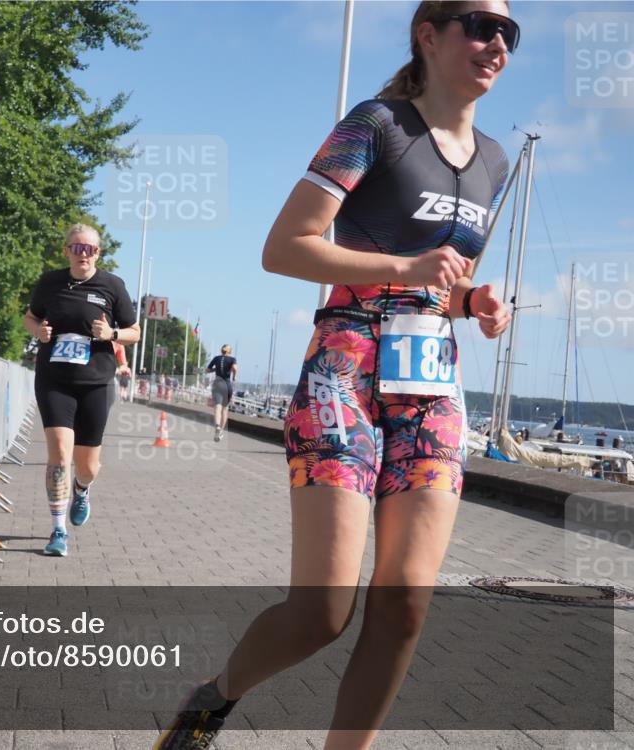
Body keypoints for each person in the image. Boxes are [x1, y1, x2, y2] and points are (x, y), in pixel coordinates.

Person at [155, 2, 515, 748]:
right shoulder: (375, 126)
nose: (497, 44)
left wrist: (473, 301)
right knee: (323, 612)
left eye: (509, 33)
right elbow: (285, 247)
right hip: (343, 373)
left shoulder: (495, 161)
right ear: (429, 34)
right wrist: (404, 268)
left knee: (405, 605)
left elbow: (443, 285)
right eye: (481, 25)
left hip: (430, 389)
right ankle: (212, 701)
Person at [23, 224, 140, 557]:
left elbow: (134, 332)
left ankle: (82, 489)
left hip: (95, 383)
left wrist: (111, 334)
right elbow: (30, 318)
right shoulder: (50, 282)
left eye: (89, 249)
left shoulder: (112, 285)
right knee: (60, 454)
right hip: (54, 379)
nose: (83, 254)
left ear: (98, 253)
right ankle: (58, 530)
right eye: (77, 248)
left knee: (88, 466)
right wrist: (38, 331)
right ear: (67, 251)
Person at [206, 345, 238, 442]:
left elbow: (207, 370)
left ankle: (217, 426)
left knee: (217, 407)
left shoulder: (216, 358)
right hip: (227, 385)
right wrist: (234, 376)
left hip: (217, 384)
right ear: (230, 352)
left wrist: (215, 369)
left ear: (222, 351)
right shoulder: (232, 359)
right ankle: (221, 431)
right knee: (225, 409)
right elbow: (235, 368)